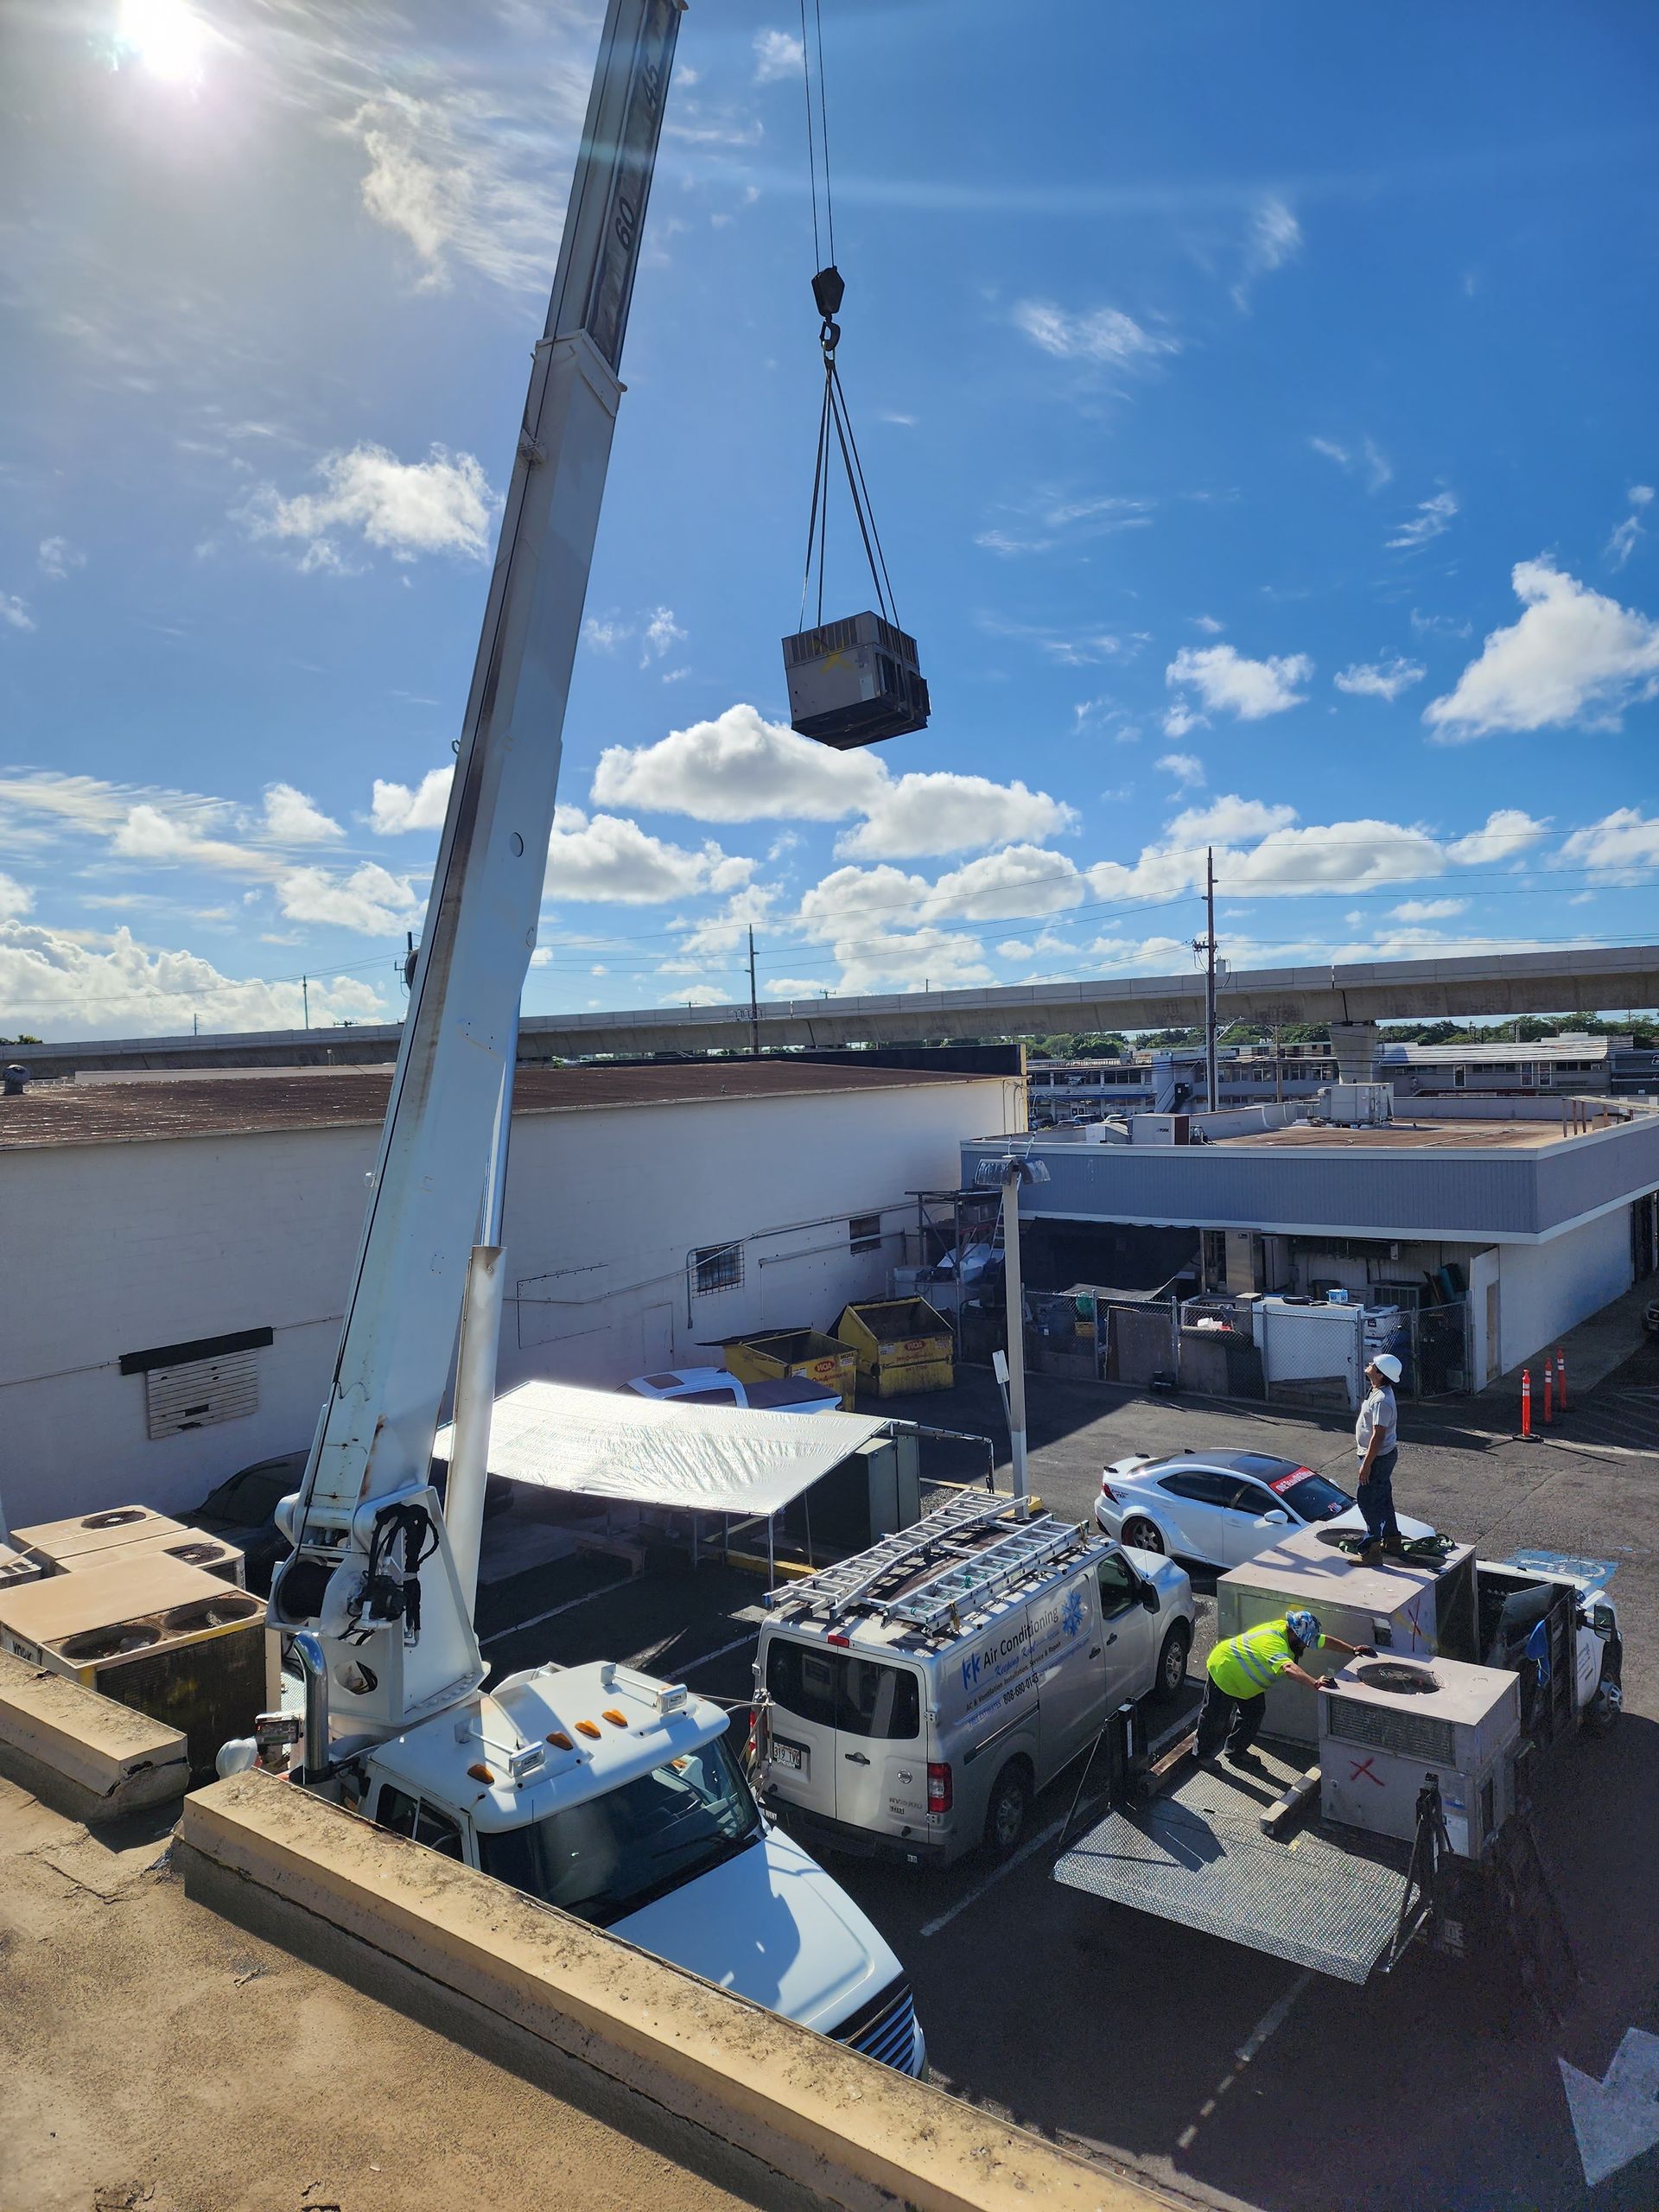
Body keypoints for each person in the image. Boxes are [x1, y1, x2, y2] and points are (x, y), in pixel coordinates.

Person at [1195, 1608, 1371, 1764]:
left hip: (1246, 1684)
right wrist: (1315, 1683)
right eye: (1304, 1642)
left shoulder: (1292, 1631)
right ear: (1295, 1635)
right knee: (1214, 1717)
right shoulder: (1273, 1642)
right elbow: (1288, 1668)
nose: (1306, 1646)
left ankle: (1235, 1751)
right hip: (1225, 1672)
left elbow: (1322, 1641)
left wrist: (1352, 1649)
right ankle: (1202, 1756)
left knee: (1253, 1715)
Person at [1355, 1351, 1404, 1564]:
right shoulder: (1376, 1391)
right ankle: (1392, 1540)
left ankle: (1371, 1550)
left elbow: (1378, 1436)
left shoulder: (1382, 1401)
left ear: (1380, 1374)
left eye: (1373, 1364)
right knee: (1383, 1497)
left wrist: (1366, 1465)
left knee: (1368, 1501)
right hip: (1382, 1456)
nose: (1370, 1365)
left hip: (1377, 1458)